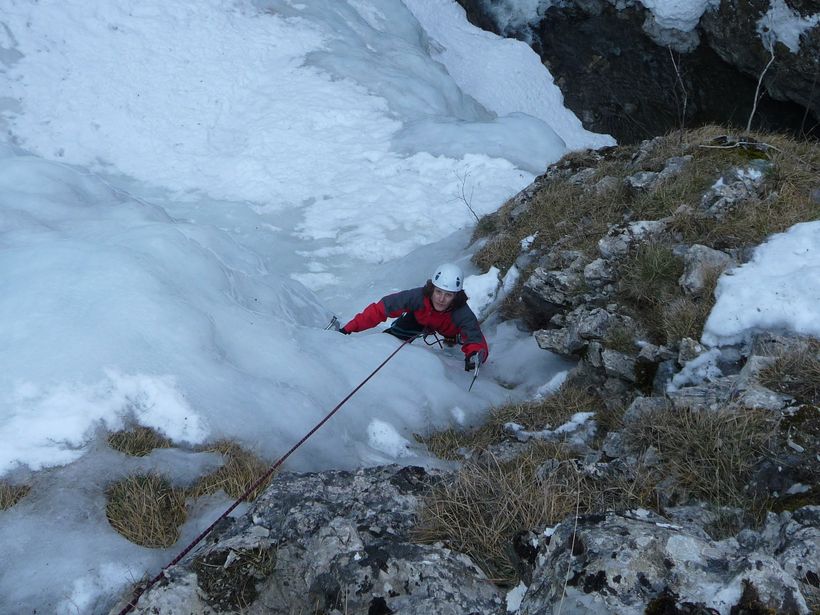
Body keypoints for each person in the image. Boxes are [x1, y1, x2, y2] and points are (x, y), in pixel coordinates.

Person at [339, 263, 488, 371]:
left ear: (456, 296)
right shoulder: (417, 297)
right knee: (392, 337)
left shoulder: (462, 313)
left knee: (460, 336)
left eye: (448, 295)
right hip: (420, 320)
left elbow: (476, 338)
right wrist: (348, 328)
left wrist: (474, 355)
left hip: (450, 329)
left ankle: (453, 338)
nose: (441, 299)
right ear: (432, 289)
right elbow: (380, 309)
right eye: (438, 292)